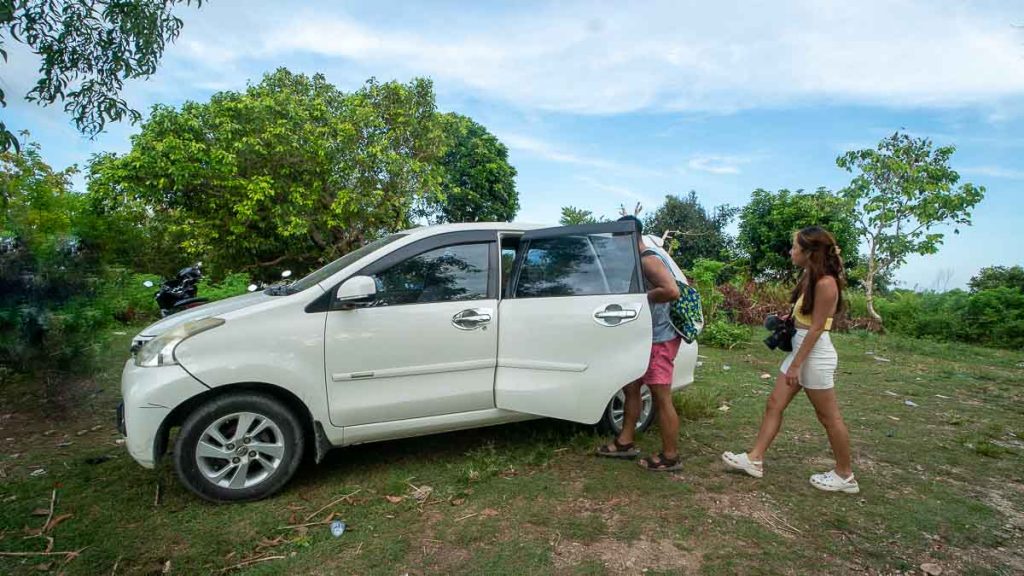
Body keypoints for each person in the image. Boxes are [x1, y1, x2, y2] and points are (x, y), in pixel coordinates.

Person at [722, 226, 858, 493]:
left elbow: (818, 328)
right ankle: (754, 459)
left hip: (815, 355)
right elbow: (807, 321)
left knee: (828, 416)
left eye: (795, 247)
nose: (790, 251)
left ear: (809, 252)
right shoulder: (810, 277)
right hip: (801, 350)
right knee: (774, 403)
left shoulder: (826, 283)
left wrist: (796, 365)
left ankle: (845, 475)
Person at [595, 215, 684, 471]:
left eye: (617, 239)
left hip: (659, 338)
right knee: (632, 386)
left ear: (629, 236)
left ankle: (670, 456)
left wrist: (643, 297)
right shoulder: (640, 260)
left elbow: (672, 291)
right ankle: (625, 441)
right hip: (643, 337)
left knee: (661, 396)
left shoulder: (649, 260)